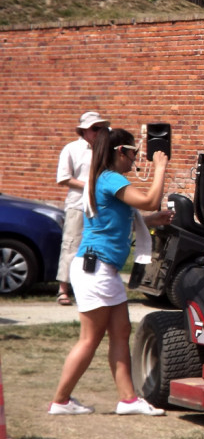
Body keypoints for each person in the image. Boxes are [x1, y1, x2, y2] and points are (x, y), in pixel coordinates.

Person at [49, 128, 173, 416]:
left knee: (120, 332)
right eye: (133, 154)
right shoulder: (111, 178)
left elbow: (120, 219)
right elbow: (149, 200)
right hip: (96, 269)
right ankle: (61, 400)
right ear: (121, 152)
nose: (135, 161)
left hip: (100, 268)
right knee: (90, 338)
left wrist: (153, 219)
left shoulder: (103, 178)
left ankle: (128, 400)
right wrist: (161, 167)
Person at [55, 111, 110, 305]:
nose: (100, 132)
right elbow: (63, 178)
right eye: (95, 128)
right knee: (71, 244)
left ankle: (87, 289)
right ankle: (63, 289)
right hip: (78, 205)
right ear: (84, 131)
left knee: (94, 247)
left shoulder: (107, 150)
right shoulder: (71, 149)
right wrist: (89, 185)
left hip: (101, 207)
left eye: (102, 128)